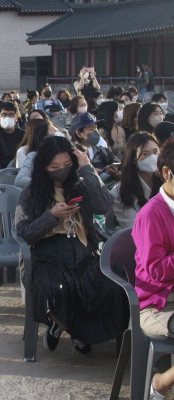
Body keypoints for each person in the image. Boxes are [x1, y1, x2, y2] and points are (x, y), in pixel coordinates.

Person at [16, 135, 128, 354]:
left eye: (67, 165)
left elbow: (103, 206)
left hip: (84, 251)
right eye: (54, 166)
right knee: (55, 288)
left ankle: (78, 330)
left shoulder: (81, 185)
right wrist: (51, 216)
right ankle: (71, 328)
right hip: (49, 256)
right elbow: (24, 233)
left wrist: (87, 169)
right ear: (44, 167)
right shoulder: (31, 192)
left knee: (110, 284)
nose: (61, 170)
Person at [132, 138, 174, 400]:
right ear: (168, 173)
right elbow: (156, 270)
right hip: (159, 305)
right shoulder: (151, 214)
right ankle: (161, 382)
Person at [109, 132, 160, 229]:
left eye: (155, 152)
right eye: (145, 154)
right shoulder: (120, 191)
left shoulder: (167, 181)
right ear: (133, 159)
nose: (153, 157)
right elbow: (134, 227)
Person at [71, 112, 119, 183]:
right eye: (91, 129)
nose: (95, 132)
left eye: (95, 128)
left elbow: (118, 165)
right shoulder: (74, 154)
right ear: (79, 133)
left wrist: (113, 170)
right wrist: (89, 173)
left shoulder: (103, 150)